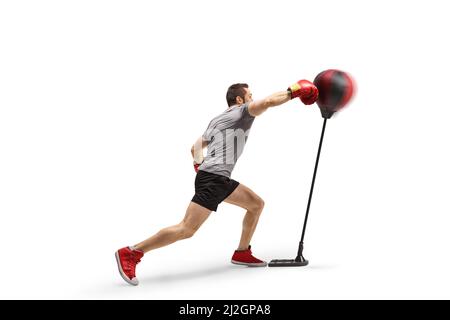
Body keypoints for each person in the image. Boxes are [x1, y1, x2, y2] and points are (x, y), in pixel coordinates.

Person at [115, 80, 319, 285]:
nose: (252, 99)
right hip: (213, 179)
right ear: (239, 100)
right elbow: (267, 102)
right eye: (249, 96)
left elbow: (194, 148)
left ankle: (242, 252)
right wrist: (294, 92)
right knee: (186, 229)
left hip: (216, 178)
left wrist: (200, 166)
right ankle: (132, 253)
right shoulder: (242, 111)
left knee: (256, 204)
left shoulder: (217, 119)